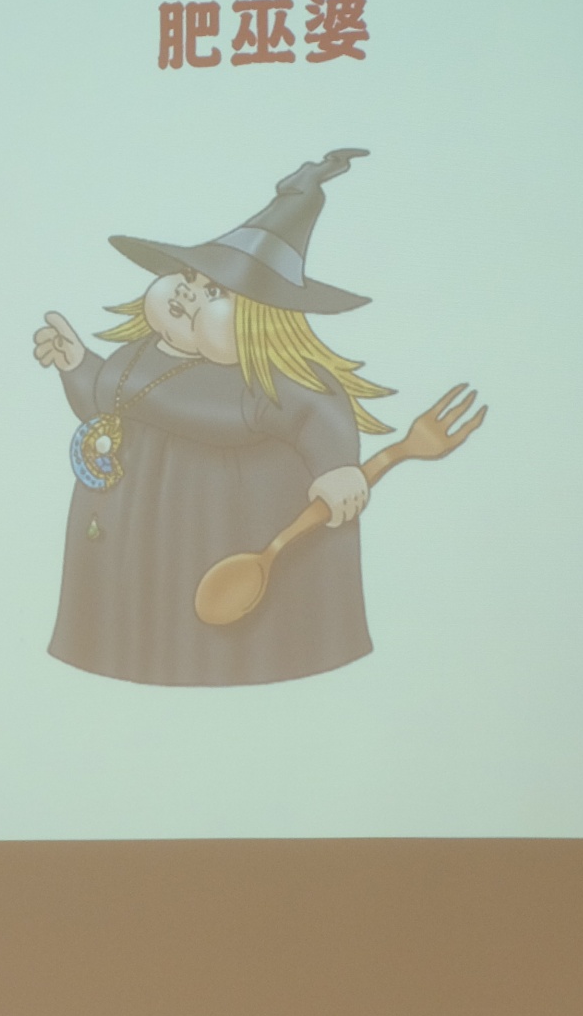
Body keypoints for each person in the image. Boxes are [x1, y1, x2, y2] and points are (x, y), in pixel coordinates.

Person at [32, 150, 393, 686]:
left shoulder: (268, 382)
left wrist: (337, 467)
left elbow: (319, 411)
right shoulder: (137, 356)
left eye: (215, 292)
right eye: (187, 275)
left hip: (221, 531)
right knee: (143, 614)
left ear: (260, 322)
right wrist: (77, 366)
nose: (187, 292)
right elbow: (108, 407)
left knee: (217, 629)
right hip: (135, 534)